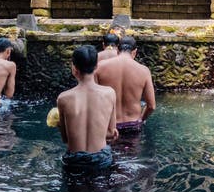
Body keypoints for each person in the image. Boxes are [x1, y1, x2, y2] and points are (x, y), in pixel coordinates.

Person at [56, 45, 118, 174]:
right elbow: (111, 133)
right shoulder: (110, 93)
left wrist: (59, 124)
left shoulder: (63, 98)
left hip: (74, 161)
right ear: (96, 67)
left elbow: (65, 139)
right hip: (100, 159)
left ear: (74, 68)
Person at [95, 36, 155, 135]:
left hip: (109, 125)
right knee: (133, 150)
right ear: (135, 51)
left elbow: (93, 100)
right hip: (133, 125)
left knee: (110, 149)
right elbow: (151, 106)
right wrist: (141, 119)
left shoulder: (100, 67)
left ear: (117, 49)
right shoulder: (144, 71)